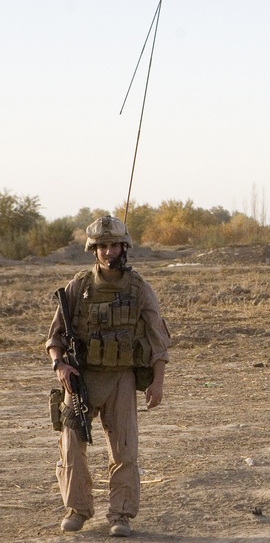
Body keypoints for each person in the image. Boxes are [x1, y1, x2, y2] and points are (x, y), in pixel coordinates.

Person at [45, 216, 170, 537]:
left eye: (114, 245)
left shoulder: (139, 288)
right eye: (102, 246)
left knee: (124, 449)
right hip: (82, 379)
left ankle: (121, 514)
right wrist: (60, 365)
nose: (108, 252)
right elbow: (55, 337)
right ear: (93, 250)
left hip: (121, 379)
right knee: (71, 446)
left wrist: (157, 381)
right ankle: (77, 509)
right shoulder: (78, 287)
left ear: (124, 248)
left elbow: (158, 338)